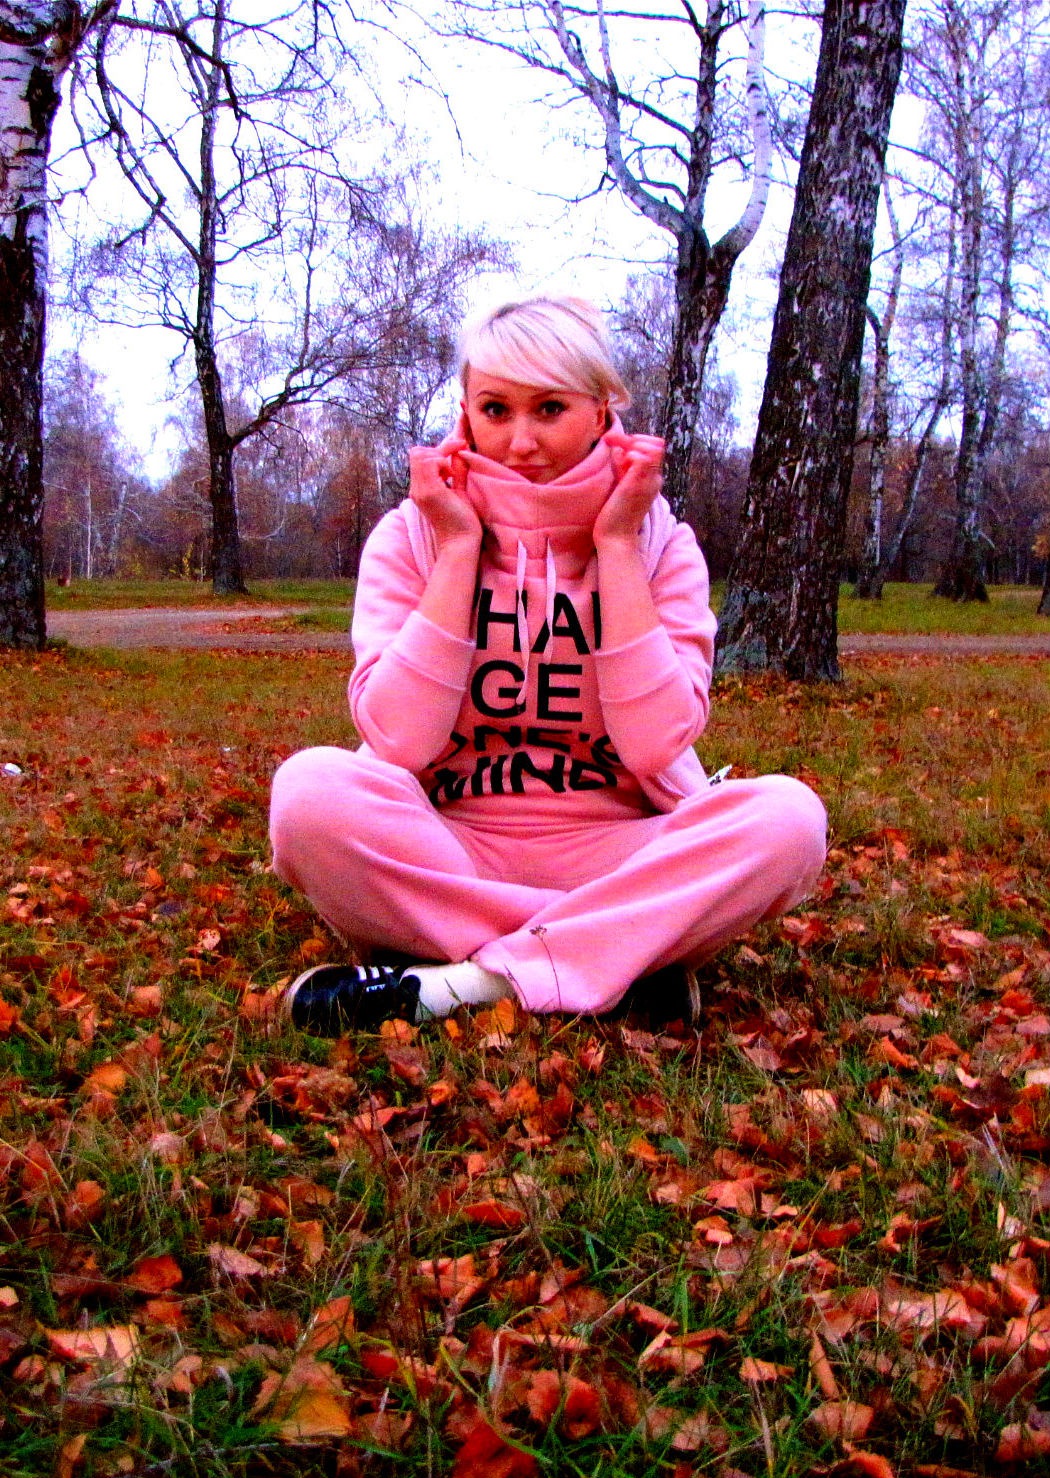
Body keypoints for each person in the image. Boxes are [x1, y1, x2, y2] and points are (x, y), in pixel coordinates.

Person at [269, 295, 827, 1032]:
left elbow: (656, 744)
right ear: (466, 413)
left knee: (788, 820)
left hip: (619, 855)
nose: (521, 441)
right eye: (495, 410)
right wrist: (459, 550)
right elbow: (397, 740)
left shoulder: (661, 545)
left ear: (601, 411)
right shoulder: (413, 538)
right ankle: (616, 961)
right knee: (309, 793)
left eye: (550, 408)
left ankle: (466, 981)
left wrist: (616, 547)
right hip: (448, 846)